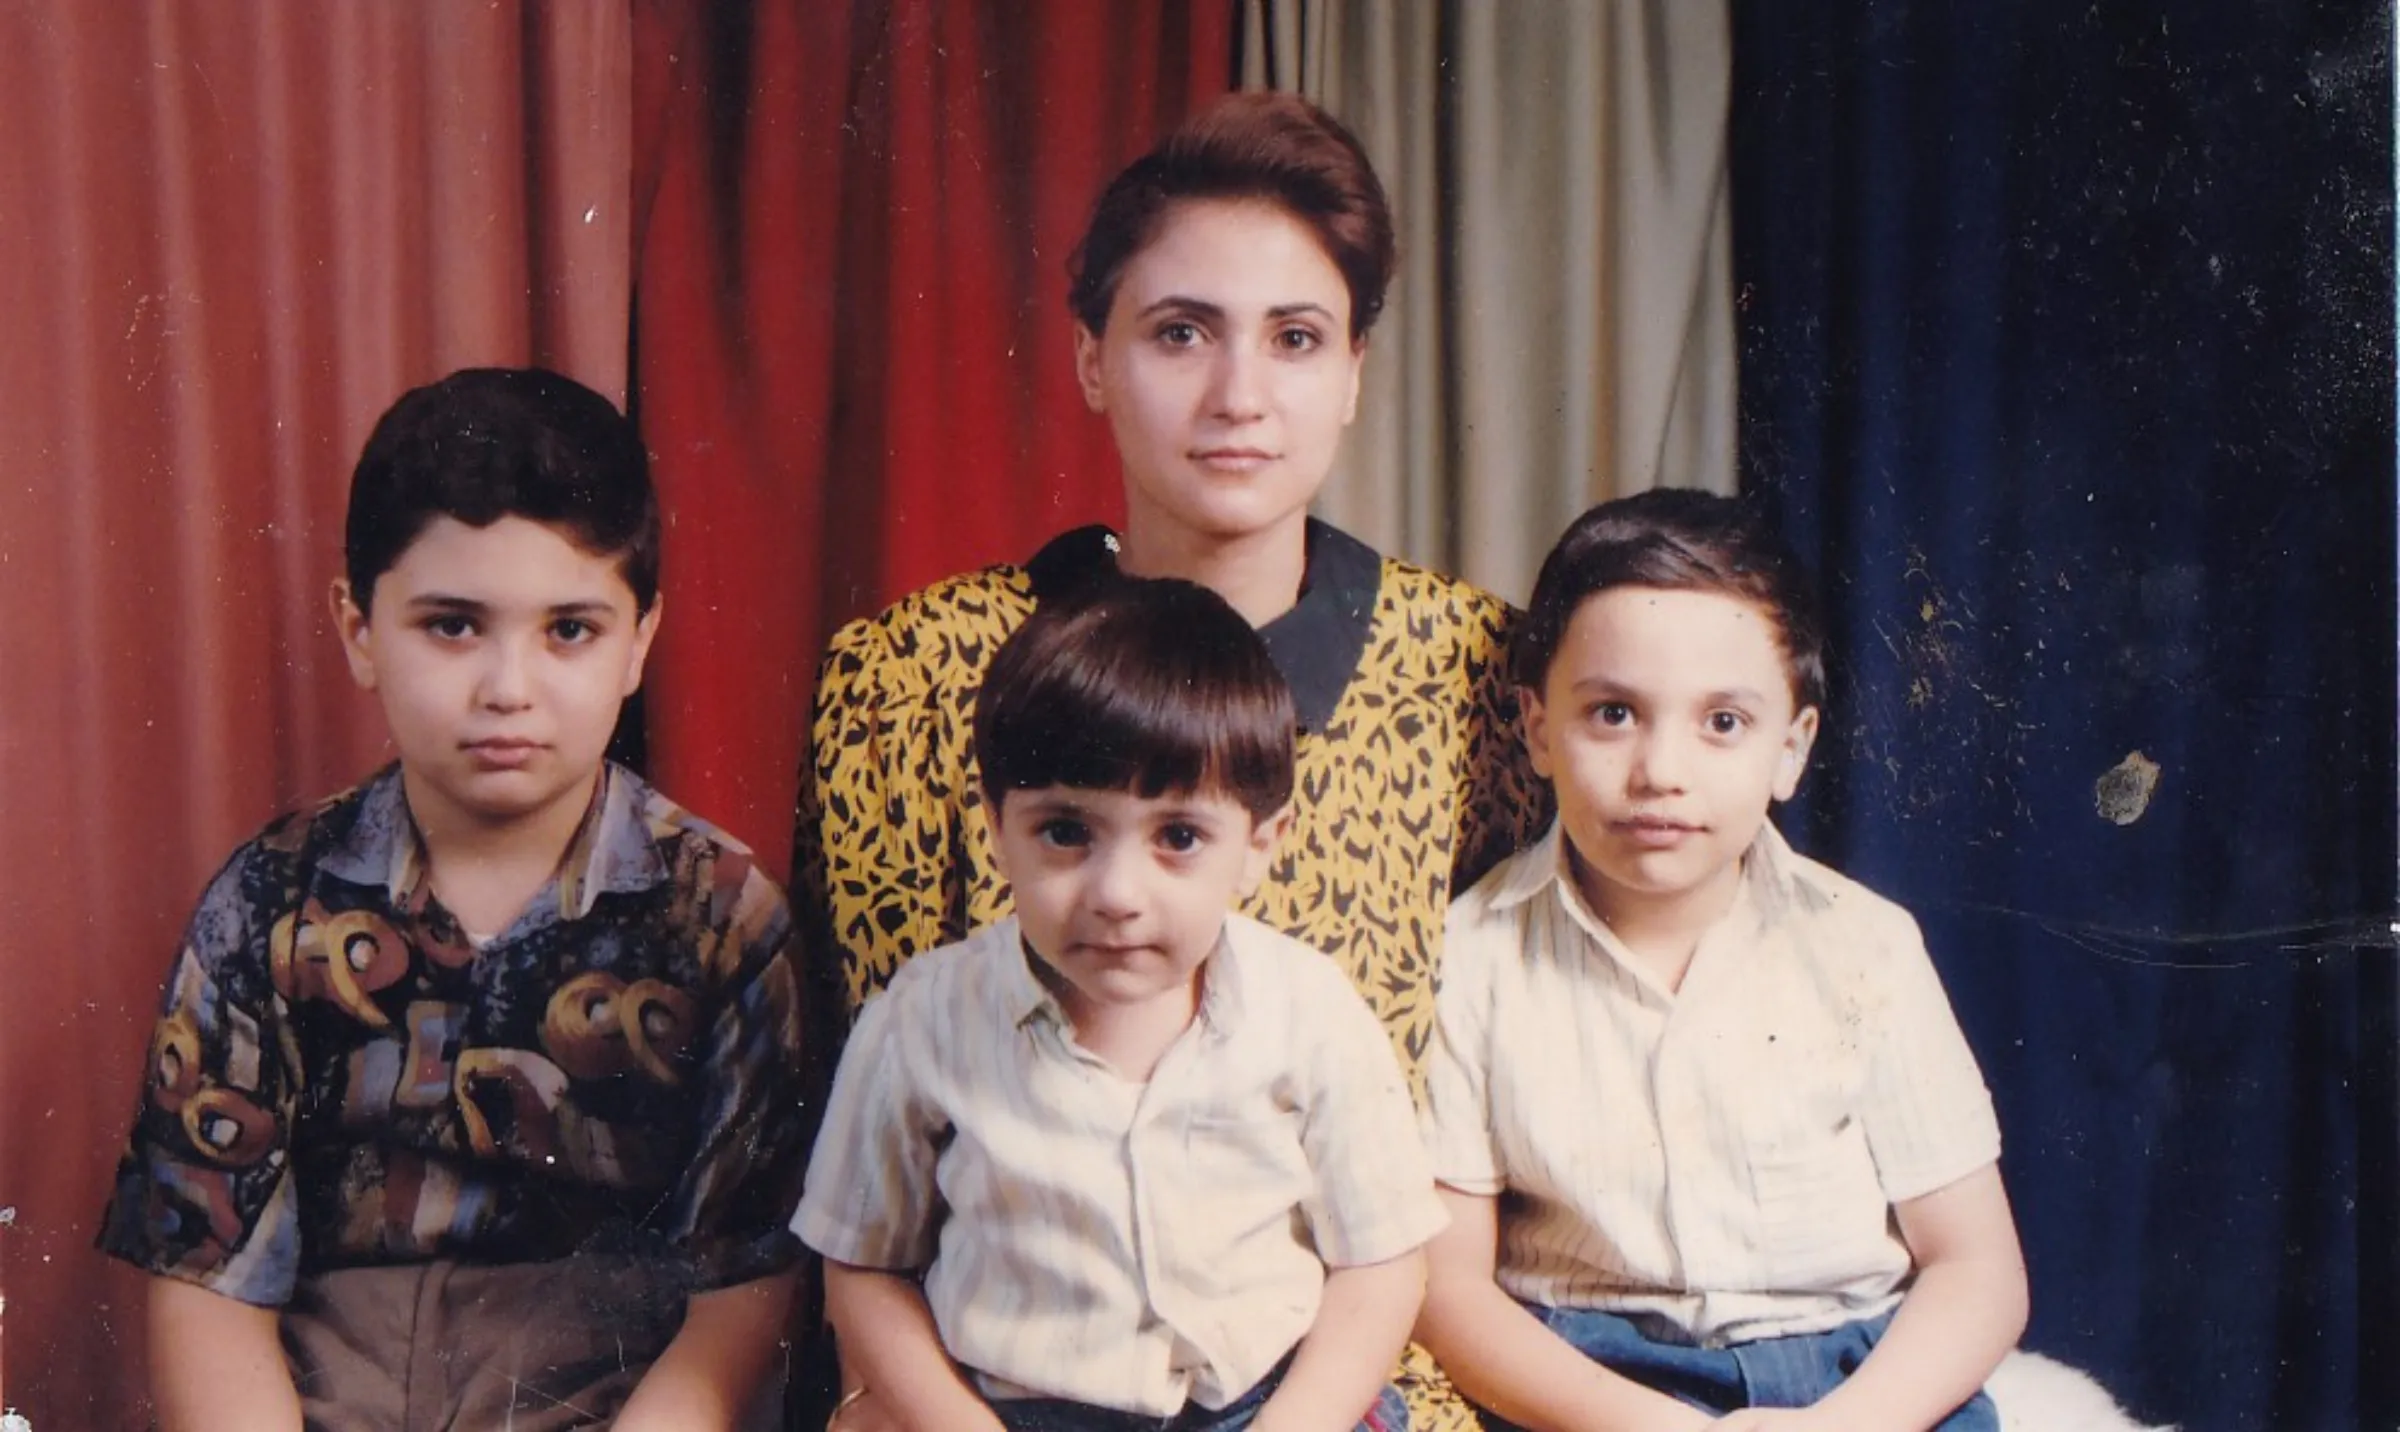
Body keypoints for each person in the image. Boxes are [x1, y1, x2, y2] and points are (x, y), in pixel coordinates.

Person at [794, 89, 1546, 1432]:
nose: (1238, 396)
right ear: (1092, 359)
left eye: (1297, 339)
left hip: (1358, 1379)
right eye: (1180, 333)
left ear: (1357, 372)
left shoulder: (1476, 676)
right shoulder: (905, 682)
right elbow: (882, 1166)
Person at [100, 368, 808, 1431]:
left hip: (611, 1395)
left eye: (569, 628)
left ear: (641, 643)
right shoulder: (267, 903)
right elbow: (207, 1282)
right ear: (359, 629)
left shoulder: (721, 918)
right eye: (453, 625)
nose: (508, 689)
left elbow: (741, 1299)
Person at [1413, 490, 2029, 1432]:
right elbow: (1447, 1286)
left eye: (1723, 724)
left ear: (1792, 749)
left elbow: (1978, 1270)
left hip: (1858, 1371)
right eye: (1612, 713)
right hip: (1591, 1380)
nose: (1661, 768)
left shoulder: (1865, 946)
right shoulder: (1471, 957)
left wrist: (1841, 1426)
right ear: (1538, 730)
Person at [797, 579, 1443, 1432]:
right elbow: (861, 1267)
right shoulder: (920, 1022)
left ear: (1259, 846)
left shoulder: (1310, 1011)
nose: (1117, 894)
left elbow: (1383, 1263)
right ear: (995, 825)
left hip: (1269, 1404)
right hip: (1012, 1409)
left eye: (1178, 838)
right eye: (1066, 832)